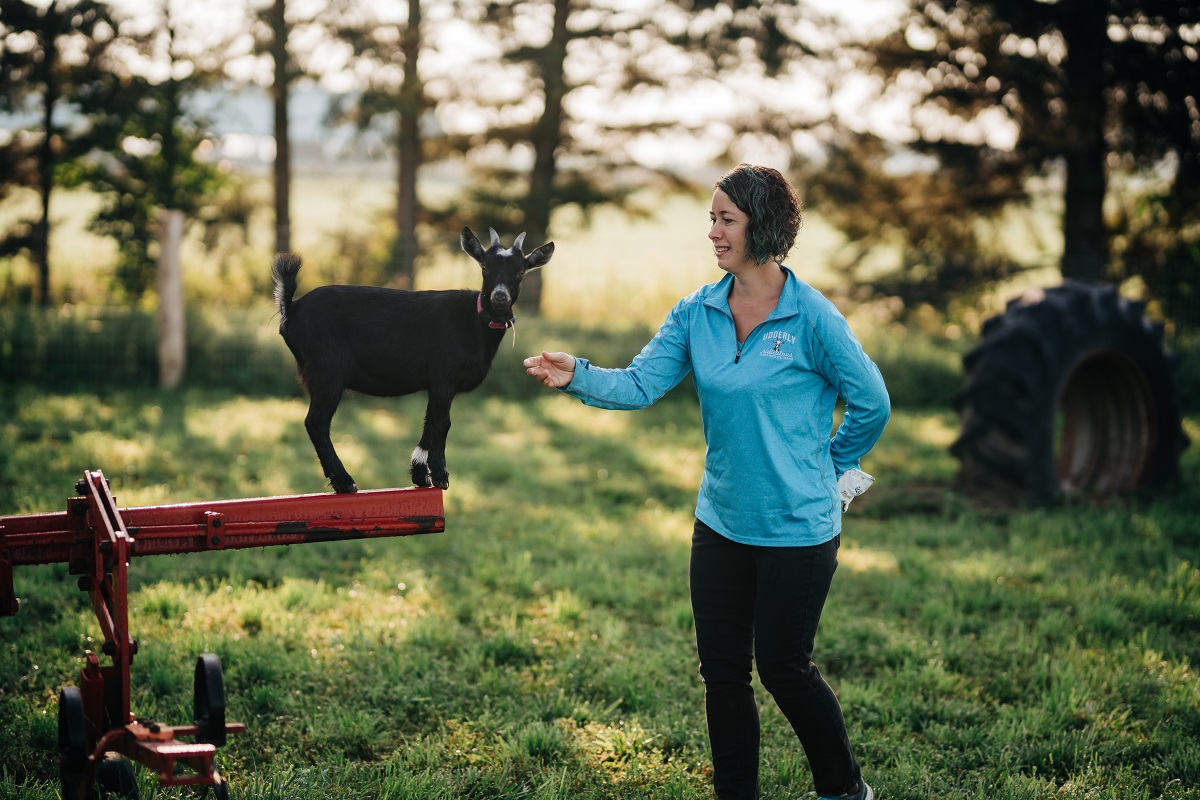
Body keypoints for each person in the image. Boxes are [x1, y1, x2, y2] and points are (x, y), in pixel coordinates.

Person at [523, 163, 889, 800]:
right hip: (720, 522)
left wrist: (828, 468)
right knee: (722, 676)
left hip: (796, 530)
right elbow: (639, 384)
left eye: (727, 220)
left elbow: (872, 402)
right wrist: (576, 373)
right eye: (711, 219)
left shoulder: (812, 319)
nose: (713, 233)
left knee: (784, 670)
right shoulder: (699, 311)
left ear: (762, 227)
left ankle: (843, 789)